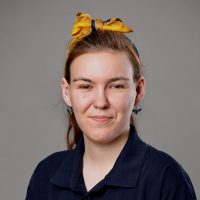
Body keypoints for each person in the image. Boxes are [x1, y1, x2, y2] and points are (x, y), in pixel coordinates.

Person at [25, 12, 197, 199]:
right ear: (67, 92)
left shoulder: (166, 179)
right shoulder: (45, 175)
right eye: (85, 86)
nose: (100, 102)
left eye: (116, 86)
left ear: (138, 91)